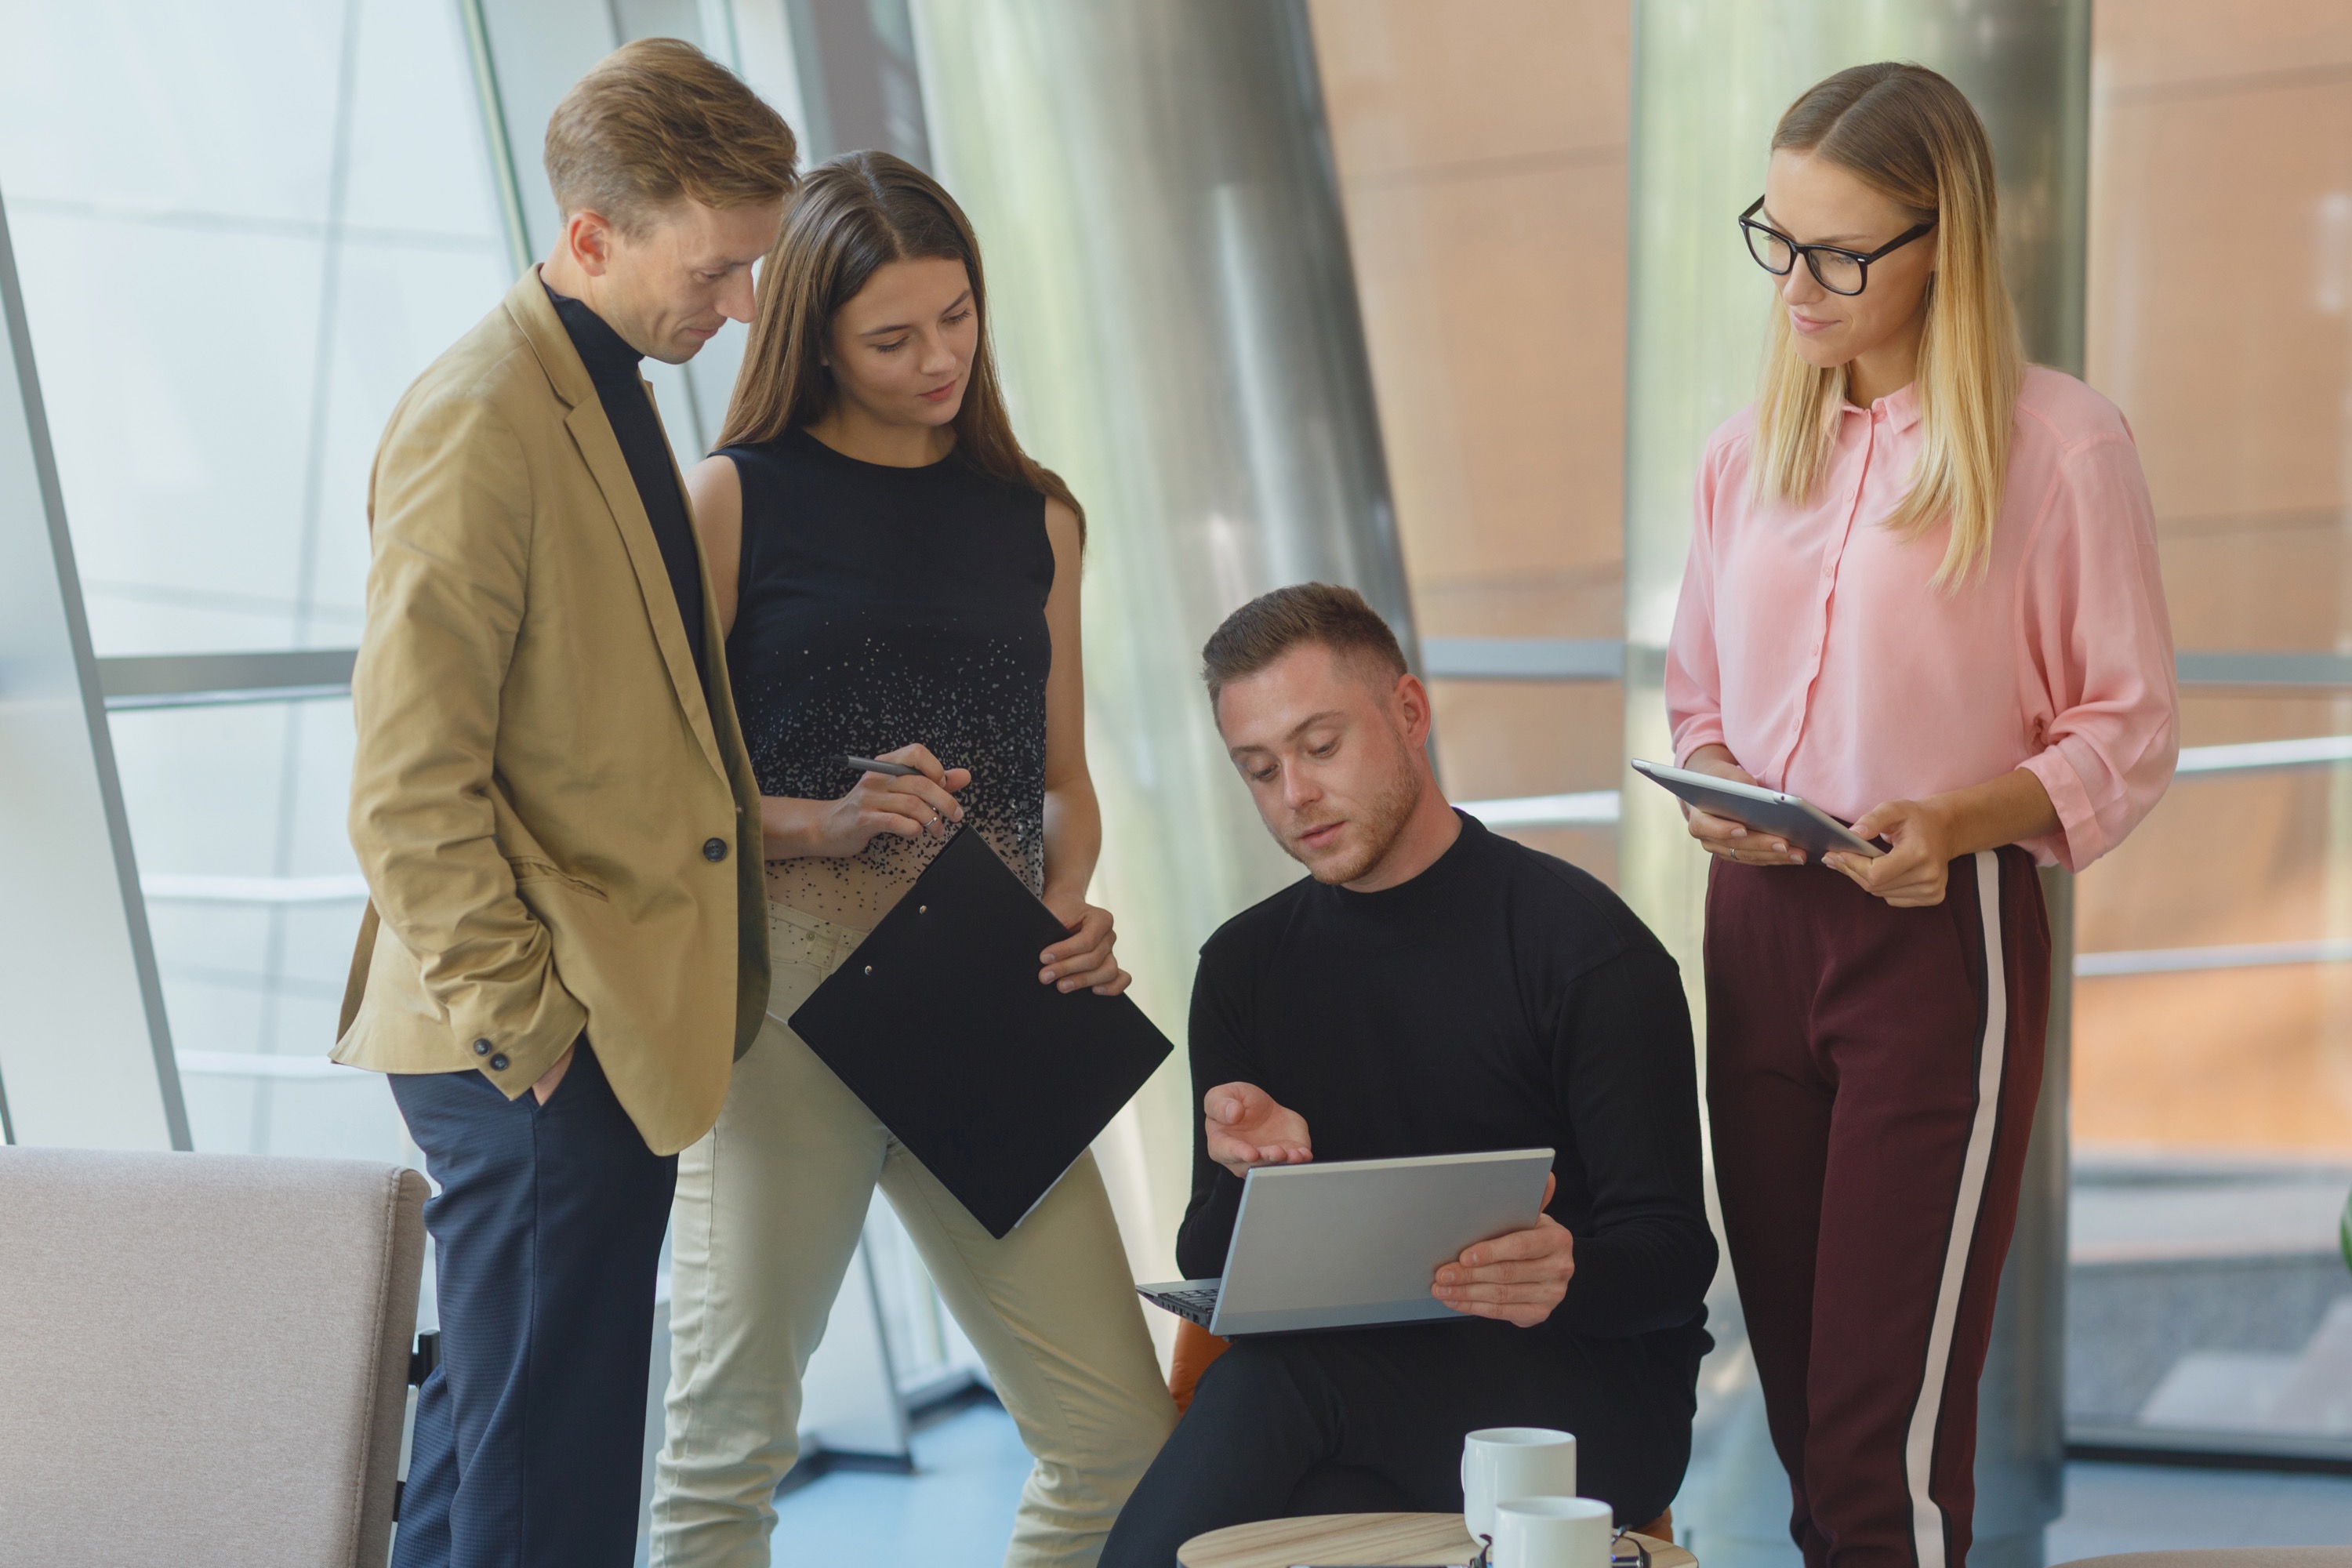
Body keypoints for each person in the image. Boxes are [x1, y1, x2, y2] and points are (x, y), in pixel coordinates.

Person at [1668, 64, 2176, 1568]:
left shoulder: (2061, 447)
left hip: (1937, 941)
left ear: (1942, 237)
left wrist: (1957, 819)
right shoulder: (1741, 455)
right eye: (1780, 238)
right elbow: (1701, 692)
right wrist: (1721, 793)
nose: (1800, 285)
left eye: (1840, 253)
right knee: (1804, 1415)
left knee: (1877, 1449)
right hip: (1755, 935)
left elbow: (2128, 727)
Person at [648, 151, 1176, 1568]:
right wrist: (824, 820)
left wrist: (1062, 909)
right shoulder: (733, 499)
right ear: (814, 333)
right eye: (894, 336)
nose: (939, 357)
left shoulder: (1039, 517)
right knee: (727, 1446)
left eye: (959, 318)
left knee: (1121, 1444)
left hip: (983, 993)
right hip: (783, 1012)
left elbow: (1061, 782)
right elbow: (658, 789)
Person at [333, 41, 796, 1568]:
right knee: (555, 1485)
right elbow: (406, 785)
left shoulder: (604, 382)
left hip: (582, 1020)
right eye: (716, 269)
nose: (736, 311)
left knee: (494, 1454)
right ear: (594, 235)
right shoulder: (483, 412)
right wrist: (528, 1029)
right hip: (535, 1038)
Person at [1097, 583, 1718, 1567]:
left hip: (1579, 1400)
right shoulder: (1244, 968)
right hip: (1362, 1400)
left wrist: (1567, 1266)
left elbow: (1677, 1254)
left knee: (1268, 1400)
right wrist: (1258, 1178)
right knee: (1261, 1495)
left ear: (1411, 713)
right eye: (1258, 769)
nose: (1293, 794)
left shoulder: (1584, 948)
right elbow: (1209, 1249)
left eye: (1321, 746)